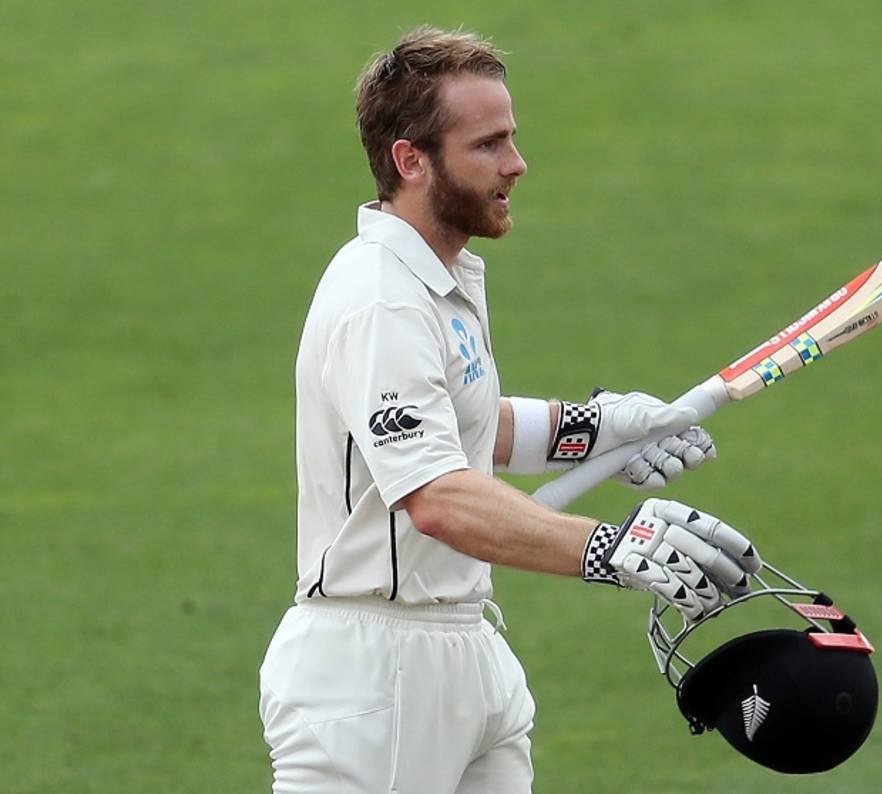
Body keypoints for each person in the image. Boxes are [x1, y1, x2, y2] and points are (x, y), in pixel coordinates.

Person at [258, 26, 762, 794]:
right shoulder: (380, 299)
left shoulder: (444, 277)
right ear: (411, 160)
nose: (516, 164)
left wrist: (600, 430)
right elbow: (436, 497)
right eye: (488, 145)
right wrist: (610, 548)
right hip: (374, 678)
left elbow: (465, 428)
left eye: (512, 139)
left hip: (465, 650)